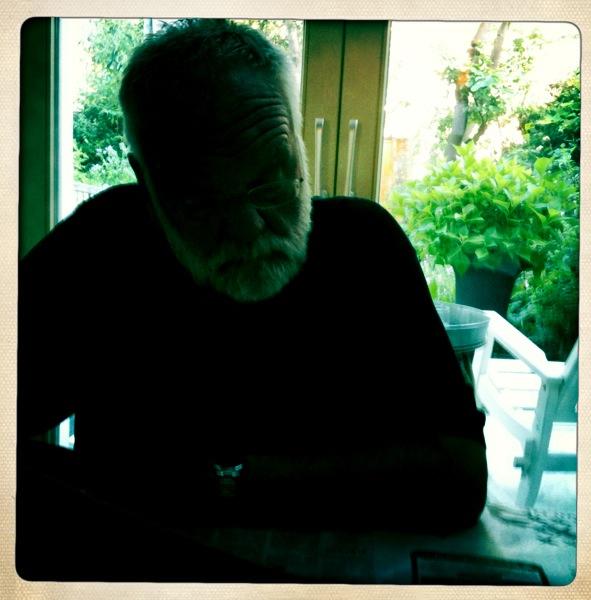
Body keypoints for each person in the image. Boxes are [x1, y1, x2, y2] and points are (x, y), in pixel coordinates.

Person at [17, 19, 487, 581]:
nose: (248, 228)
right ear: (147, 182)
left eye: (270, 180)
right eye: (203, 199)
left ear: (300, 148)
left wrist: (223, 481)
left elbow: (461, 477)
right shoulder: (103, 247)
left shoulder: (365, 248)